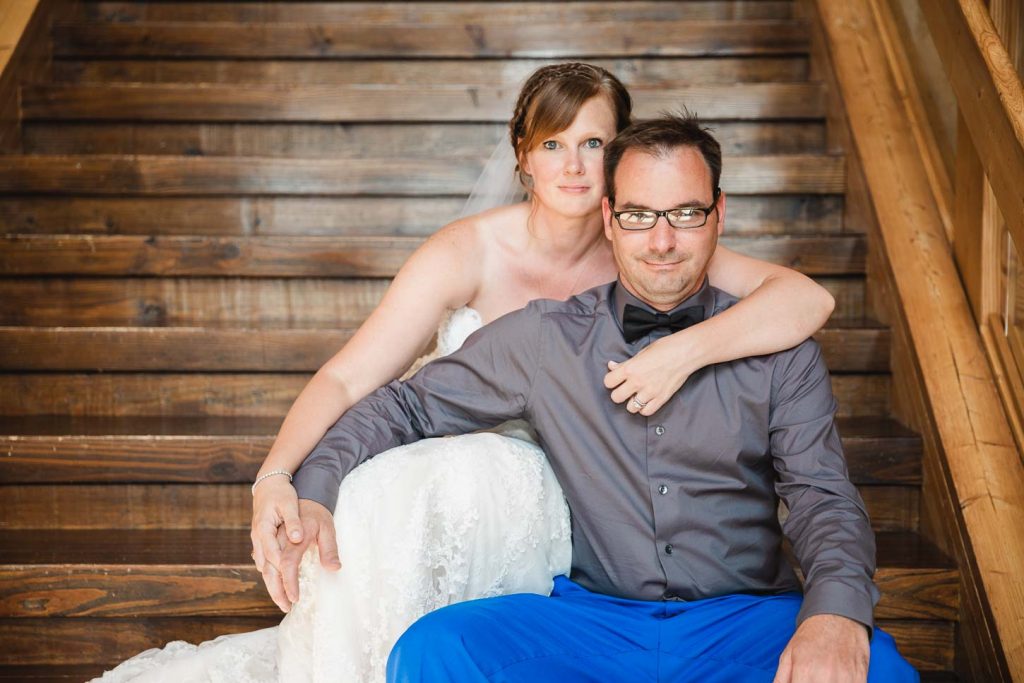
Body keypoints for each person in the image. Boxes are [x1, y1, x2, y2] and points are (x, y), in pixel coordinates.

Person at [92, 64, 834, 682]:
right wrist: (282, 478)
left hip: (596, 496)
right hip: (494, 468)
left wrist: (681, 350)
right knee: (395, 498)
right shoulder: (476, 256)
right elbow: (358, 384)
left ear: (623, 159)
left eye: (594, 143)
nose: (574, 165)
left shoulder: (656, 240)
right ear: (523, 156)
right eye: (553, 144)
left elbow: (806, 301)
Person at [285, 113, 919, 682]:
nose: (662, 241)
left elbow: (823, 500)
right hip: (593, 623)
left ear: (719, 215)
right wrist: (313, 486)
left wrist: (836, 614)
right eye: (640, 215)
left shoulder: (782, 350)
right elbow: (404, 407)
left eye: (686, 214)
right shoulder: (545, 338)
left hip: (745, 619)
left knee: (883, 673)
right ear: (611, 220)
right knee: (435, 650)